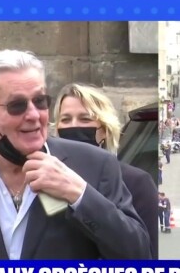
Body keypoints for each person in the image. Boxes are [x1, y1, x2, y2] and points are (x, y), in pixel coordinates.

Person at [0, 49, 151, 260]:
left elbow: (138, 255)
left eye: (40, 102)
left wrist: (79, 195)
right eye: (16, 105)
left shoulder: (95, 165)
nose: (33, 115)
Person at [52, 83, 158, 259]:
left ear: (105, 131)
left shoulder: (135, 181)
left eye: (85, 119)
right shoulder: (46, 177)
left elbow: (147, 254)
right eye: (65, 119)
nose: (73, 126)